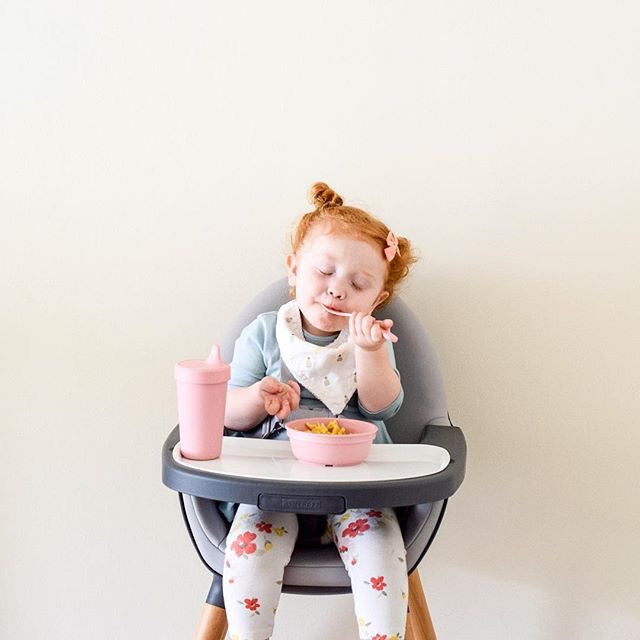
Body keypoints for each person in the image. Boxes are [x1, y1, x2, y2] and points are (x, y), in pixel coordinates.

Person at [222, 182, 418, 640]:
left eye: (358, 284)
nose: (336, 291)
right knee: (250, 553)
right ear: (294, 269)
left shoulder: (370, 338)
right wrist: (257, 398)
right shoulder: (266, 334)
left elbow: (383, 407)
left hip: (358, 490)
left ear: (378, 299)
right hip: (271, 488)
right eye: (324, 273)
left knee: (382, 554)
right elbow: (226, 413)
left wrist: (369, 354)